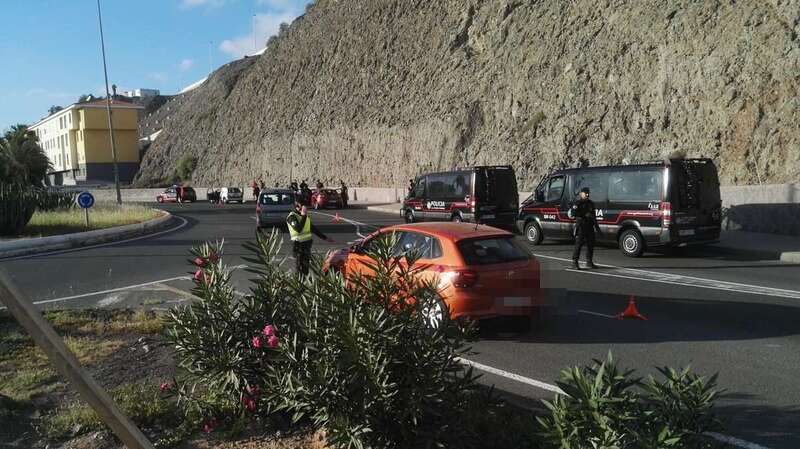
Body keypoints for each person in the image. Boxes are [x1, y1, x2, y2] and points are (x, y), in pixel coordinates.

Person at [286, 201, 335, 276]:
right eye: (302, 207)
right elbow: (298, 229)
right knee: (299, 267)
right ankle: (299, 285)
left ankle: (305, 283)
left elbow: (313, 228)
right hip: (298, 244)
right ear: (297, 207)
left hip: (307, 244)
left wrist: (325, 238)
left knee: (306, 267)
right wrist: (304, 216)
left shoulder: (304, 217)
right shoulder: (292, 217)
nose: (304, 209)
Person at [569, 187, 602, 270]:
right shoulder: (578, 203)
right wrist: (584, 214)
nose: (587, 194)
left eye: (588, 193)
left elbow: (594, 217)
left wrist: (598, 229)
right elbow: (573, 213)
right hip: (581, 226)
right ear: (581, 194)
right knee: (579, 244)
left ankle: (589, 262)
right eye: (585, 193)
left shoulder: (591, 203)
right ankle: (574, 262)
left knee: (591, 244)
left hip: (590, 226)